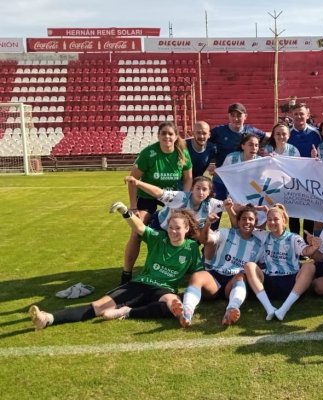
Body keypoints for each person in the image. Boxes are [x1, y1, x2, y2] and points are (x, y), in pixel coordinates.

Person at [29, 207, 202, 330]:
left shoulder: (191, 248)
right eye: (170, 227)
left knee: (174, 306)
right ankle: (47, 319)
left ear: (186, 228)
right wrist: (125, 212)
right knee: (98, 307)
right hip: (141, 284)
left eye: (177, 228)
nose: (173, 231)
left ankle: (127, 312)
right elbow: (140, 227)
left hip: (164, 289)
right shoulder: (159, 238)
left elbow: (197, 274)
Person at [121, 121, 192, 284]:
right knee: (138, 231)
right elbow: (132, 180)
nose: (167, 136)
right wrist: (133, 207)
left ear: (175, 137)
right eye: (163, 133)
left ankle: (180, 268)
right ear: (158, 135)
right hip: (147, 196)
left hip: (171, 197)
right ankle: (126, 273)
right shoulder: (148, 153)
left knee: (182, 229)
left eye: (170, 134)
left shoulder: (182, 153)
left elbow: (188, 178)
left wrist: (185, 199)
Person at [178, 204, 264, 327]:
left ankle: (231, 309)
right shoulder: (225, 233)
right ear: (238, 221)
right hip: (215, 278)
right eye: (244, 219)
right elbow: (205, 240)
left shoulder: (259, 245)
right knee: (197, 276)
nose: (247, 222)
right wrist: (207, 224)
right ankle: (186, 312)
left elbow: (262, 268)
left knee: (242, 276)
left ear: (255, 223)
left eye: (251, 219)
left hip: (234, 282)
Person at [245, 204, 321, 320]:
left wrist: (314, 247)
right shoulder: (264, 235)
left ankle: (284, 309)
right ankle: (269, 308)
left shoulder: (294, 238)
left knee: (310, 266)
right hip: (269, 282)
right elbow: (246, 226)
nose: (272, 222)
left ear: (284, 220)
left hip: (291, 284)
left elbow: (306, 251)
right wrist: (253, 209)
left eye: (276, 219)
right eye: (269, 220)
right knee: (249, 265)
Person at [209, 103, 265, 226]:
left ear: (245, 116)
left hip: (239, 181)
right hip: (220, 178)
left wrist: (266, 151)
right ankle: (213, 237)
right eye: (232, 115)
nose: (236, 119)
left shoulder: (252, 131)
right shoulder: (218, 131)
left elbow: (267, 138)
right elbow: (205, 143)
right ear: (228, 116)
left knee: (237, 209)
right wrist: (210, 163)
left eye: (239, 115)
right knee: (216, 210)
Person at [124, 175, 225, 233]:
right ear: (192, 189)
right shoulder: (180, 197)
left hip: (183, 231)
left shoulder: (211, 203)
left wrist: (230, 203)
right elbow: (159, 192)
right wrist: (137, 183)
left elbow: (229, 206)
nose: (201, 192)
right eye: (198, 188)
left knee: (211, 237)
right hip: (161, 226)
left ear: (209, 192)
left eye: (204, 189)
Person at [287, 103, 321, 238]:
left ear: (307, 114)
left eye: (301, 114)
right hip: (292, 180)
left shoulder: (316, 133)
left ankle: (307, 246)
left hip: (311, 180)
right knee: (293, 215)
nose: (299, 117)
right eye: (296, 114)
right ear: (291, 116)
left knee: (309, 214)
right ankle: (295, 245)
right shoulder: (287, 133)